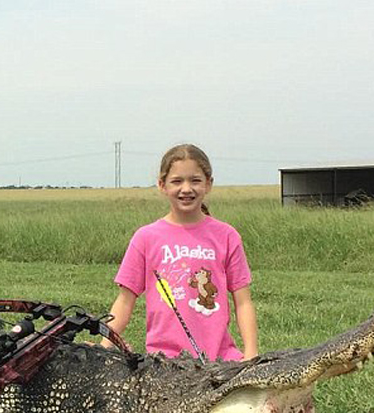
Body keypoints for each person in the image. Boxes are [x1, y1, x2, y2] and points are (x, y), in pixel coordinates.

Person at [101, 144, 258, 361]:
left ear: (209, 184)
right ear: (162, 185)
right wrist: (104, 343)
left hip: (221, 359)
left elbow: (243, 301)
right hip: (165, 362)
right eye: (177, 181)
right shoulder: (145, 237)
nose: (186, 189)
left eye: (195, 180)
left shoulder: (227, 235)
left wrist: (251, 352)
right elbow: (125, 301)